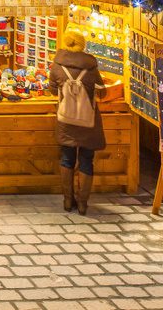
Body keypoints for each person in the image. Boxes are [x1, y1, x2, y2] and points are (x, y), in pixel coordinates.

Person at [49, 29, 107, 215]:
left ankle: (68, 200)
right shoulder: (91, 68)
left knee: (66, 158)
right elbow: (103, 91)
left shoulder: (57, 66)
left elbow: (52, 90)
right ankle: (83, 203)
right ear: (83, 45)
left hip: (66, 121)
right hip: (87, 121)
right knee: (86, 160)